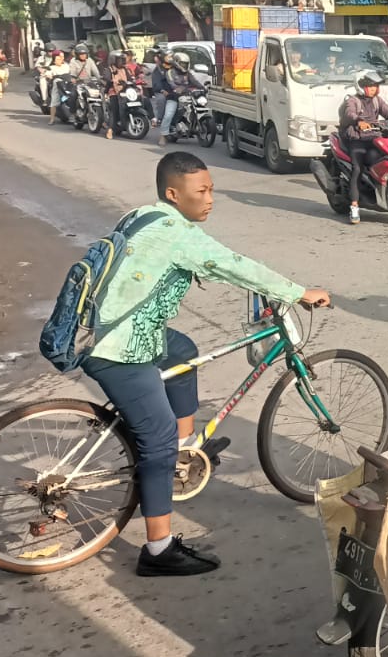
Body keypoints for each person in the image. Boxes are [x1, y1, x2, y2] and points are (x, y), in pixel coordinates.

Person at [81, 151, 330, 576]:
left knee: (184, 351)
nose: (211, 198)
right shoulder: (180, 235)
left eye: (212, 189)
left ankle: (184, 448)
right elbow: (233, 265)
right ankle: (158, 549)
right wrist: (297, 292)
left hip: (118, 331)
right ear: (174, 194)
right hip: (122, 352)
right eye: (202, 191)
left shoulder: (143, 216)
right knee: (153, 443)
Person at [338, 71, 388, 224]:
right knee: (357, 169)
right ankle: (355, 206)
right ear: (361, 86)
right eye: (370, 86)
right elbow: (349, 114)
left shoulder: (377, 101)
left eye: (375, 86)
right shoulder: (353, 101)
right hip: (357, 140)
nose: (373, 89)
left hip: (374, 138)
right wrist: (358, 120)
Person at [51, 43, 98, 122]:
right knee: (73, 95)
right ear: (77, 55)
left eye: (84, 54)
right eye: (81, 54)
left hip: (89, 82)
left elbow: (96, 71)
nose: (83, 56)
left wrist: (99, 78)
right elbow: (72, 73)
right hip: (78, 83)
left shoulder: (90, 60)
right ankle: (73, 113)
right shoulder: (73, 61)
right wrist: (73, 78)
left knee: (99, 95)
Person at [158, 53, 199, 144]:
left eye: (186, 64)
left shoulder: (187, 73)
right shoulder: (170, 72)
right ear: (176, 62)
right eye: (183, 63)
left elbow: (195, 82)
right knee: (168, 114)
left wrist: (203, 88)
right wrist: (177, 89)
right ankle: (163, 135)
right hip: (173, 97)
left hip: (186, 96)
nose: (184, 66)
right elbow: (171, 84)